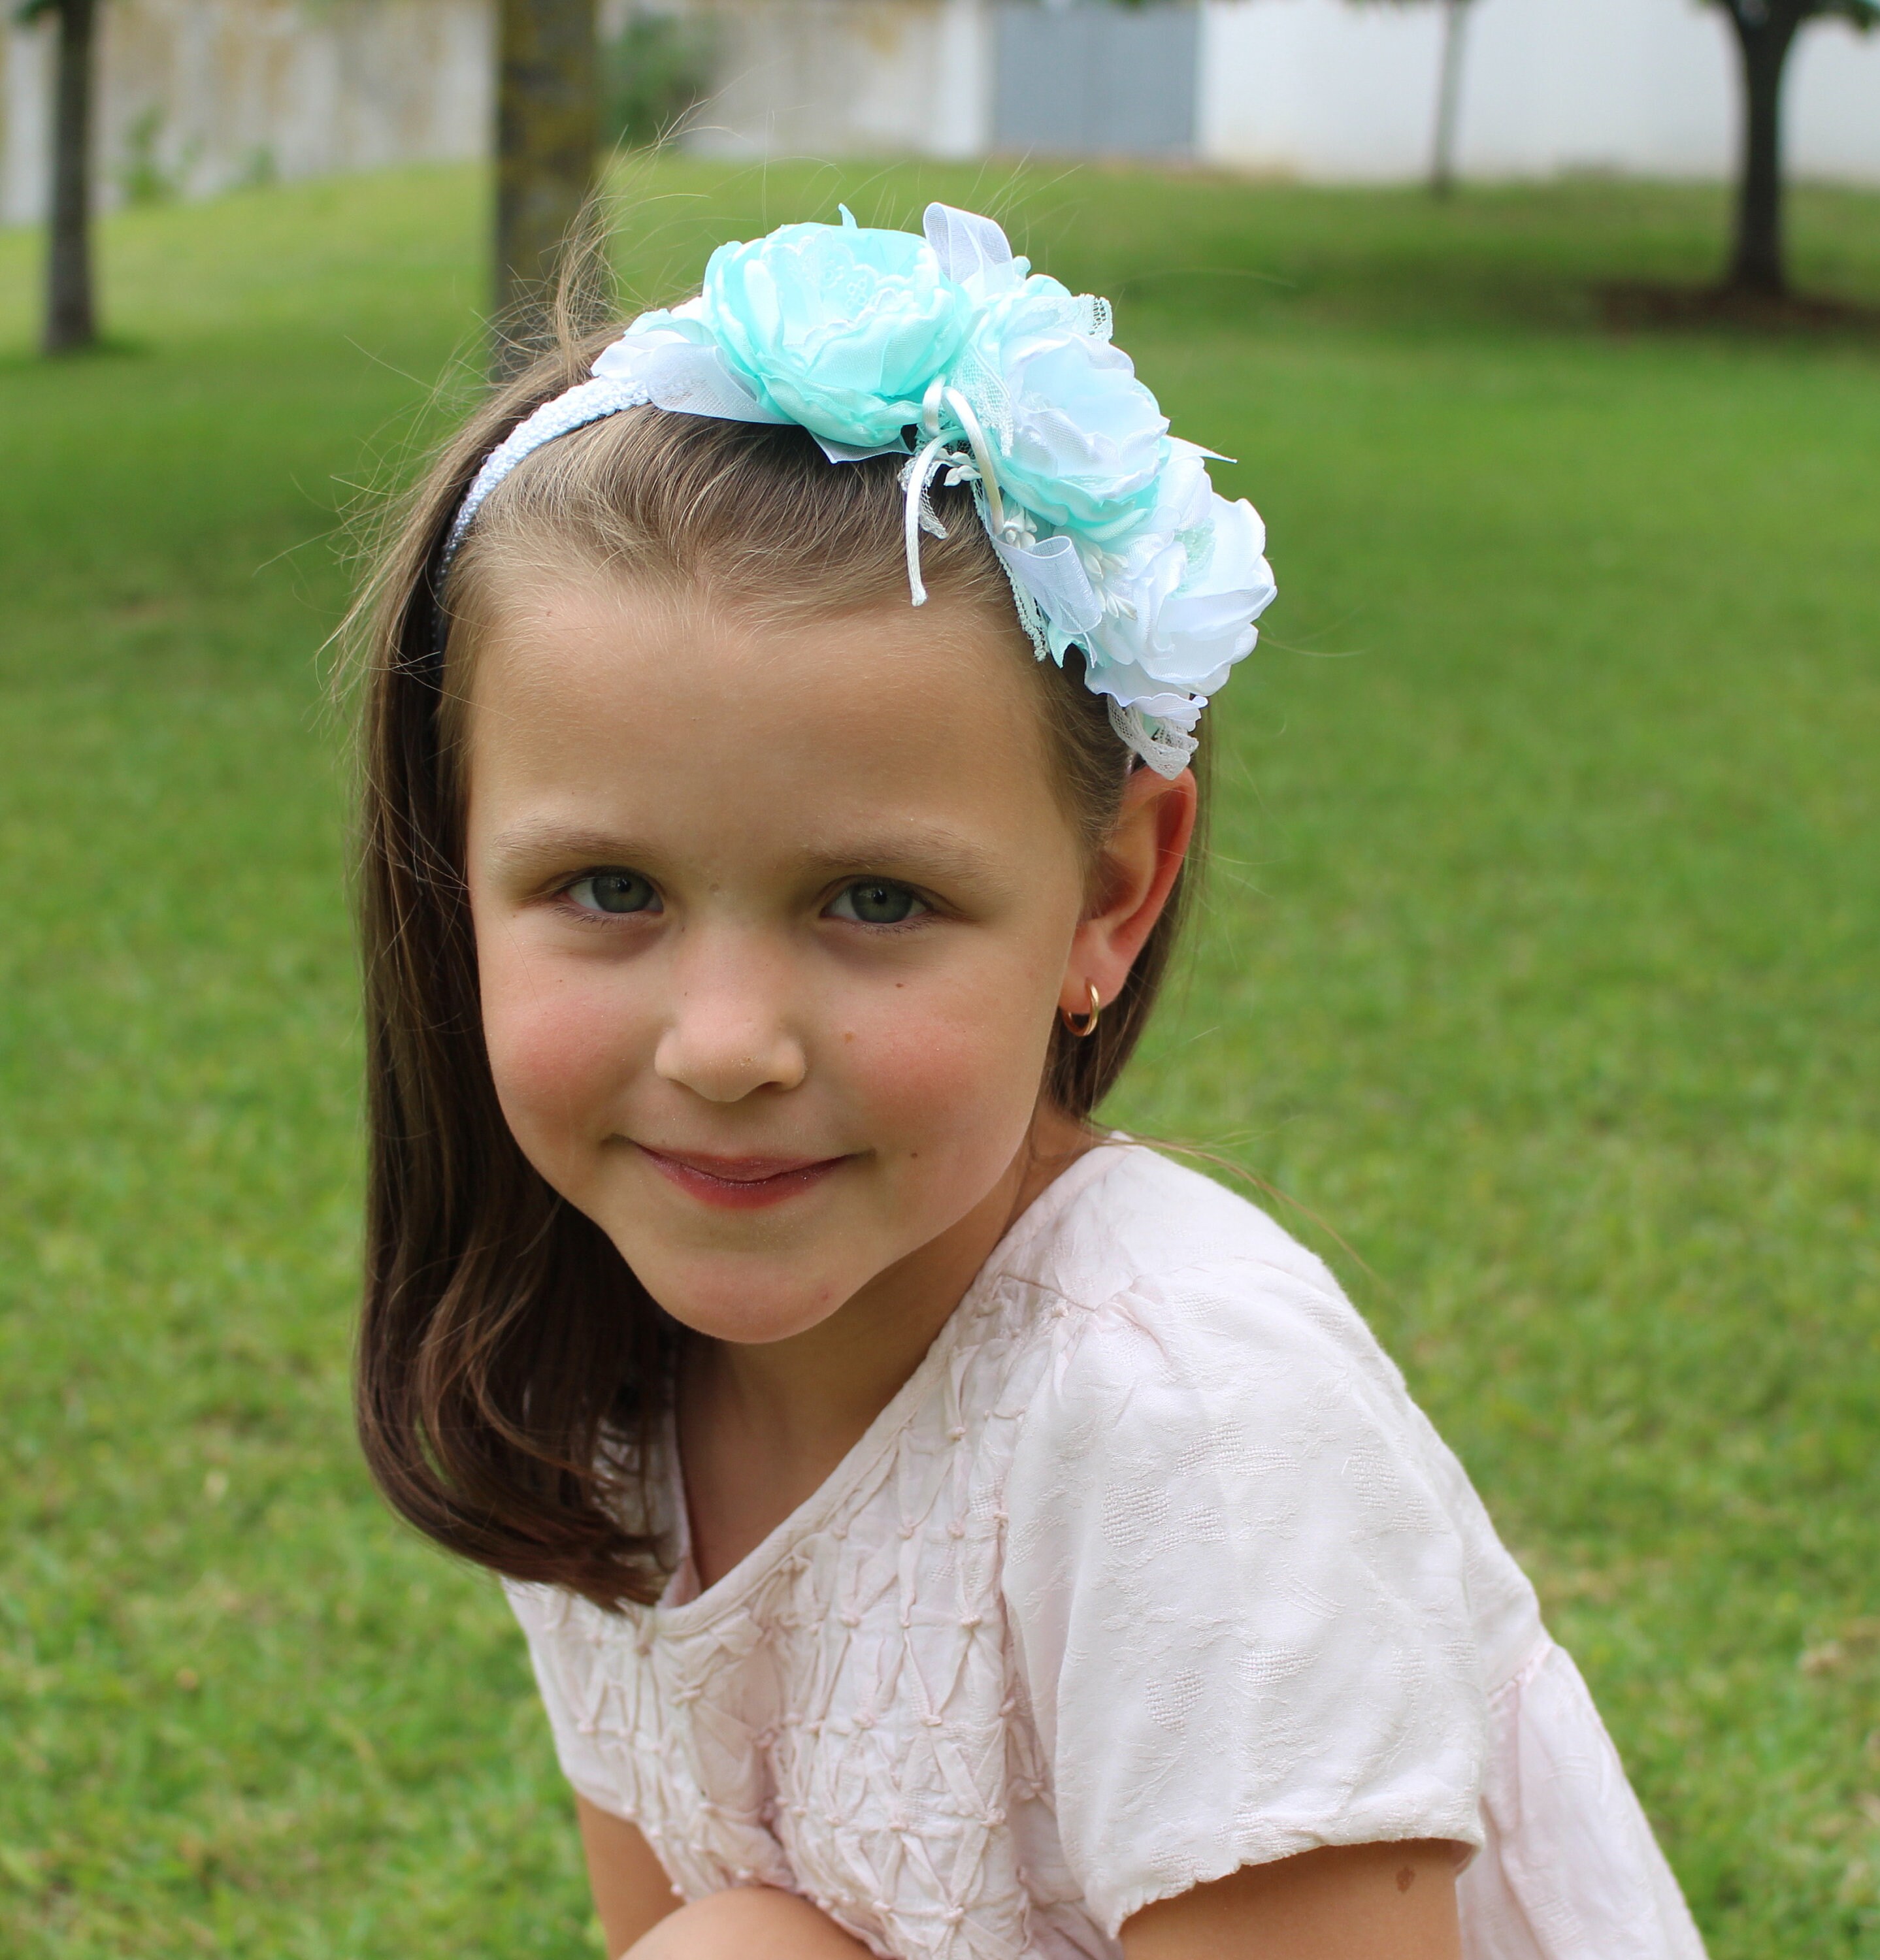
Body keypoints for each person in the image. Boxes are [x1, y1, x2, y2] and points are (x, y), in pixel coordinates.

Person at [346, 203, 1707, 1960]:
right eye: (609, 888)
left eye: (873, 900)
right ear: (453, 871)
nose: (728, 1046)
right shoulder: (580, 1365)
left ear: (1109, 894)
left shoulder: (1185, 1422)